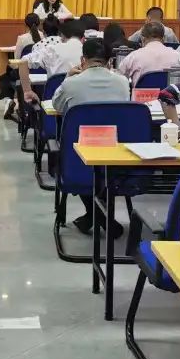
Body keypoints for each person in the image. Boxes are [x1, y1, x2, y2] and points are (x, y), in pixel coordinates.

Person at [52, 38, 131, 237]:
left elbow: (57, 106)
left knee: (81, 164)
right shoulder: (122, 82)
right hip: (116, 155)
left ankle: (95, 216)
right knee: (99, 171)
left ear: (82, 60)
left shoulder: (71, 83)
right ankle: (99, 217)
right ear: (109, 61)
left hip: (78, 157)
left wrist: (67, 77)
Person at [17, 19, 85, 102]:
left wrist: (27, 91)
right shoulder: (91, 53)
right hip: (83, 103)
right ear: (83, 38)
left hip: (53, 103)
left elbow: (23, 62)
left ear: (62, 36)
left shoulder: (52, 50)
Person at [115, 21, 180, 87]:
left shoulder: (133, 56)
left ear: (142, 38)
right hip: (170, 96)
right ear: (164, 38)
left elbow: (118, 79)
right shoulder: (179, 56)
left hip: (141, 96)